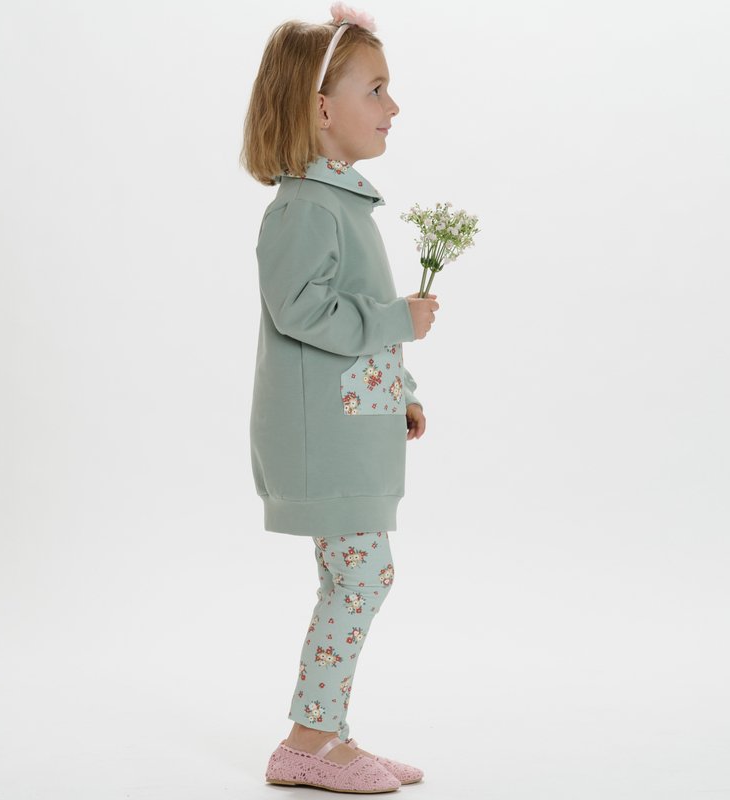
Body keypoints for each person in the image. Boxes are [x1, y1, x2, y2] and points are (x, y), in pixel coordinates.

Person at [240, 3, 440, 793]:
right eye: (376, 90)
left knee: (355, 578)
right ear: (321, 110)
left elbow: (353, 309)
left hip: (355, 422)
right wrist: (398, 322)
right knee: (361, 578)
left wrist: (403, 389)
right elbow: (301, 310)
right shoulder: (304, 206)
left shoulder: (339, 201)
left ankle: (327, 737)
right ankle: (306, 744)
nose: (393, 106)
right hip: (322, 433)